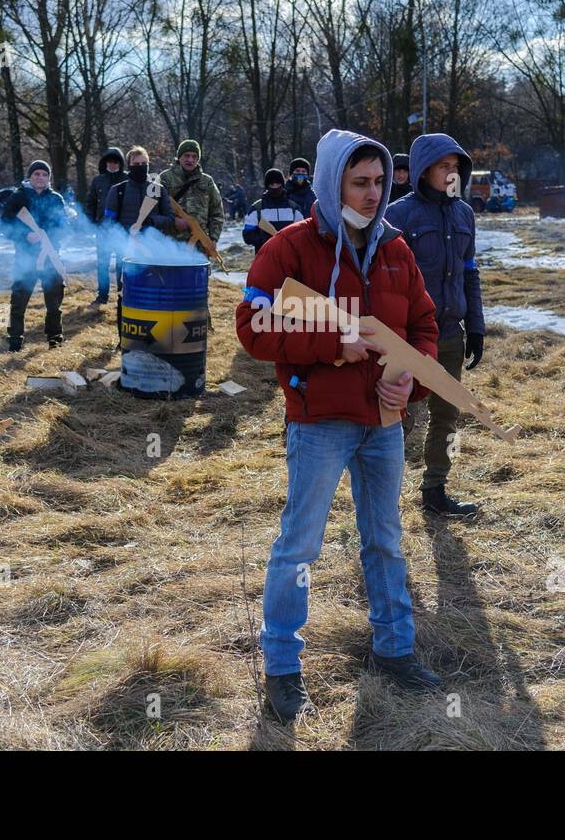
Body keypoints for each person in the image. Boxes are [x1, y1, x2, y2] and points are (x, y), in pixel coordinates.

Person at [235, 128, 443, 723]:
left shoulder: (396, 249)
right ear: (332, 183)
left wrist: (412, 377)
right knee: (301, 544)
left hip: (384, 423)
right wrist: (332, 342)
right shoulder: (290, 250)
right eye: (360, 183)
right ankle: (282, 667)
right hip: (320, 422)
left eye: (380, 181)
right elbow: (253, 328)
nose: (374, 193)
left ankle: (395, 651)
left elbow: (424, 325)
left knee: (385, 539)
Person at [385, 132, 485, 516]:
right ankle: (383, 497)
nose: (451, 173)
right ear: (424, 170)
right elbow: (386, 280)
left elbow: (469, 272)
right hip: (409, 337)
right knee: (396, 417)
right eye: (444, 166)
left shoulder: (464, 214)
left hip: (449, 335)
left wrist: (475, 325)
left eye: (456, 166)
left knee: (447, 415)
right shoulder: (399, 215)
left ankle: (435, 490)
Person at [0, 160, 71, 351]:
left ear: (49, 178)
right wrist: (25, 235)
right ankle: (15, 341)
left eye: (44, 174)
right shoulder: (18, 197)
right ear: (30, 176)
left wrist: (48, 235)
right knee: (18, 302)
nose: (40, 178)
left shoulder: (56, 198)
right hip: (25, 257)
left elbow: (65, 226)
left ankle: (55, 339)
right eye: (36, 174)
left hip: (51, 257)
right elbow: (4, 226)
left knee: (54, 303)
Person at [159, 139, 223, 245]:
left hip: (199, 246)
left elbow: (217, 212)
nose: (190, 160)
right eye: (186, 155)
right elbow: (155, 209)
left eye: (194, 157)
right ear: (179, 157)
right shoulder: (165, 178)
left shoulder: (207, 181)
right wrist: (173, 220)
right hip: (170, 244)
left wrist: (213, 238)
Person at [88, 147, 125, 305]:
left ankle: (122, 295)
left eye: (116, 161)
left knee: (121, 265)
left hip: (121, 230)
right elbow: (90, 203)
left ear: (120, 163)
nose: (112, 163)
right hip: (102, 229)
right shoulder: (98, 180)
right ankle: (102, 295)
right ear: (104, 162)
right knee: (102, 263)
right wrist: (91, 224)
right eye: (109, 161)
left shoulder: (127, 179)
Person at [241, 168, 306, 254]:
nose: (275, 186)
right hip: (265, 256)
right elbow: (247, 235)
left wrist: (288, 240)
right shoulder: (257, 208)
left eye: (278, 183)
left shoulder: (294, 208)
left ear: (282, 184)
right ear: (267, 186)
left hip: (289, 256)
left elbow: (302, 234)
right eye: (272, 184)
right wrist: (265, 239)